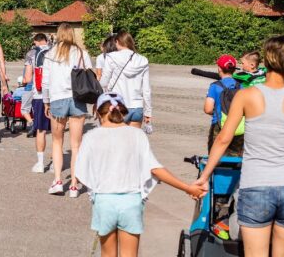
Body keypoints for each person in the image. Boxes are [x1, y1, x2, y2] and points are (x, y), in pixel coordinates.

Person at [196, 35, 284, 257]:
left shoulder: (246, 95)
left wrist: (204, 177)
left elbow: (223, 138)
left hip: (256, 185)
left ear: (266, 62)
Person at [74, 92, 206, 257]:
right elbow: (155, 169)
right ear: (123, 113)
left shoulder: (91, 137)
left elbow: (79, 173)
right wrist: (188, 188)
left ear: (98, 113)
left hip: (104, 201)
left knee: (107, 254)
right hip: (131, 202)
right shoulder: (137, 135)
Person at [42, 23, 92, 197]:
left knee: (57, 142)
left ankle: (57, 180)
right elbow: (89, 76)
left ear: (58, 35)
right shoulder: (82, 53)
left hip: (57, 98)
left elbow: (45, 81)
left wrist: (46, 101)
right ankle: (74, 185)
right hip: (78, 99)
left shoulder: (50, 54)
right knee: (76, 145)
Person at [100, 31, 152, 129]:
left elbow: (104, 82)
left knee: (117, 142)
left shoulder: (111, 57)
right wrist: (148, 112)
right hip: (137, 107)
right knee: (133, 142)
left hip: (118, 105)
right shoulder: (143, 60)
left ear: (117, 41)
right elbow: (146, 89)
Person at [22, 33, 52, 173]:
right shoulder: (55, 50)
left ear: (35, 41)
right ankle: (54, 163)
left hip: (39, 95)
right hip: (57, 95)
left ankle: (40, 164)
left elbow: (28, 78)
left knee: (41, 130)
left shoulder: (32, 53)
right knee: (57, 132)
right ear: (46, 40)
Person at [204, 54, 243, 156]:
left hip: (219, 125)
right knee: (237, 160)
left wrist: (218, 112)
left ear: (219, 68)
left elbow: (208, 109)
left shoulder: (214, 86)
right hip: (239, 127)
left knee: (216, 158)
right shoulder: (241, 86)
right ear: (234, 70)